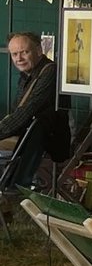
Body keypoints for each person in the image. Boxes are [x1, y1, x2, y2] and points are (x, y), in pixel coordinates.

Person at [0, 31, 67, 168]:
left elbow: (27, 111)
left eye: (24, 52)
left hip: (50, 144)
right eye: (14, 54)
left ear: (38, 50)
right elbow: (17, 112)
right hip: (31, 141)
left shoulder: (50, 71)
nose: (19, 58)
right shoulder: (27, 75)